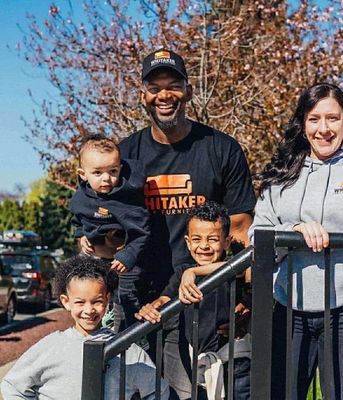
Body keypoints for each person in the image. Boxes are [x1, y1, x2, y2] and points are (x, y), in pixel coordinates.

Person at [116, 48, 256, 398]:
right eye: (155, 87)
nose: (164, 94)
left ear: (188, 91)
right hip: (141, 302)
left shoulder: (220, 149)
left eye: (173, 85)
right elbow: (106, 229)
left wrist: (248, 296)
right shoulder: (125, 155)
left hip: (202, 301)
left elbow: (240, 230)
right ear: (143, 94)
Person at [248, 83, 343, 399]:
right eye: (314, 119)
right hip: (289, 307)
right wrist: (294, 231)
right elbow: (257, 233)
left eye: (332, 118)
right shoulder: (281, 176)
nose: (323, 129)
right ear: (303, 125)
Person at [1, 255, 169, 400]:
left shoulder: (128, 351)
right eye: (80, 302)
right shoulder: (50, 347)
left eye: (97, 301)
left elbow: (157, 390)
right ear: (66, 302)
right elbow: (13, 386)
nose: (89, 310)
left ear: (107, 299)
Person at [136, 201, 250, 400]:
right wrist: (151, 308)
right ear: (188, 242)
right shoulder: (181, 272)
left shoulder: (232, 267)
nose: (204, 246)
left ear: (227, 242)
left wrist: (194, 271)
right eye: (196, 239)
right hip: (197, 361)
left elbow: (237, 266)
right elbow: (164, 300)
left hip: (233, 359)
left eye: (213, 239)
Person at [70, 134, 150, 330]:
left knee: (126, 298)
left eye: (112, 171)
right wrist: (81, 237)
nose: (106, 178)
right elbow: (78, 220)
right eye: (97, 173)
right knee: (94, 294)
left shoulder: (127, 200)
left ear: (120, 169)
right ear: (83, 174)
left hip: (125, 263)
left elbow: (143, 232)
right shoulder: (80, 198)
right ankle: (104, 329)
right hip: (98, 258)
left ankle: (130, 335)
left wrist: (128, 256)